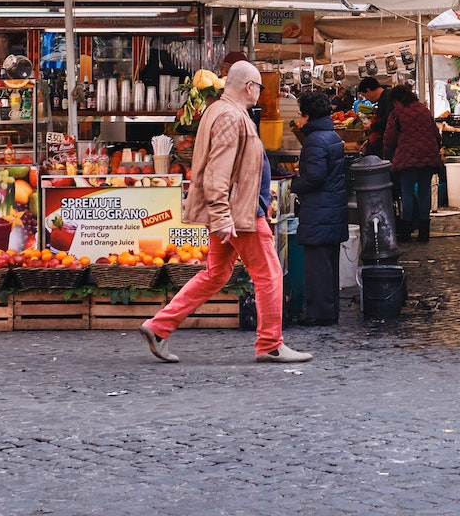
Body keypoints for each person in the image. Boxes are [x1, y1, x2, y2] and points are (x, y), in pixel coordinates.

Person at [140, 60, 311, 365]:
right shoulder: (231, 116)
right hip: (240, 214)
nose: (259, 93)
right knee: (270, 274)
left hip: (233, 212)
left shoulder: (219, 110)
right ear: (249, 87)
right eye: (259, 87)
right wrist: (221, 217)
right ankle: (271, 343)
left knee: (216, 273)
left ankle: (159, 326)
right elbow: (217, 173)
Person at [291, 91, 348, 326]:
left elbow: (314, 176)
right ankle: (328, 310)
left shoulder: (315, 139)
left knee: (317, 265)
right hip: (331, 208)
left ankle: (319, 313)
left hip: (319, 209)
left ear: (307, 115)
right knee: (328, 263)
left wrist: (294, 184)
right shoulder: (331, 135)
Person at [383, 83, 443, 242]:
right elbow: (436, 135)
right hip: (428, 158)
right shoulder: (424, 110)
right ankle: (424, 233)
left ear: (396, 100)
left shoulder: (396, 114)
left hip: (407, 159)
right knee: (424, 192)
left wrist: (388, 152)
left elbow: (389, 140)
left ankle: (406, 232)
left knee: (407, 193)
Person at [357, 76, 393, 158]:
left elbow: (388, 119)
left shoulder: (387, 98)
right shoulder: (384, 97)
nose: (366, 99)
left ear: (368, 91)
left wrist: (372, 127)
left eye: (364, 95)